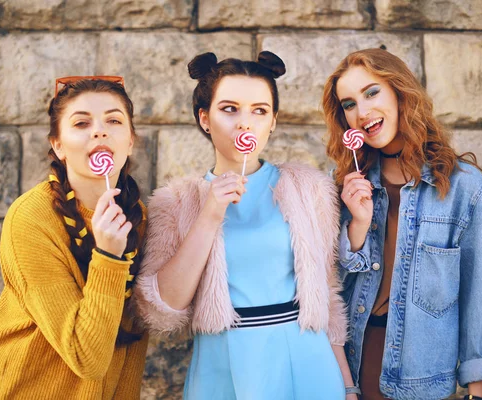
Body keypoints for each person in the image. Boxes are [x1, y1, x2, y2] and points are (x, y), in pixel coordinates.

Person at [133, 51, 356, 399]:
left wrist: (347, 384)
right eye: (229, 109)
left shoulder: (308, 187)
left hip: (307, 361)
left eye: (259, 110)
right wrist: (210, 214)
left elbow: (328, 294)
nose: (245, 123)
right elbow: (161, 312)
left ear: (273, 121)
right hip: (223, 365)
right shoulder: (175, 202)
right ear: (204, 118)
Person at [322, 48, 482, 400]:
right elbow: (327, 289)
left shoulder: (466, 189)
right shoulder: (345, 184)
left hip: (422, 374)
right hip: (351, 365)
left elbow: (479, 295)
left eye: (372, 92)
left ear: (399, 91)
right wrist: (357, 225)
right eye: (348, 104)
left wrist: (477, 391)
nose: (362, 112)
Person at [0, 77, 149, 399]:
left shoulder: (136, 217)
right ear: (58, 145)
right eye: (82, 123)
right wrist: (110, 258)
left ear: (130, 141)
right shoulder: (32, 217)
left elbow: (129, 339)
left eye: (113, 120)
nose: (99, 130)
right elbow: (88, 359)